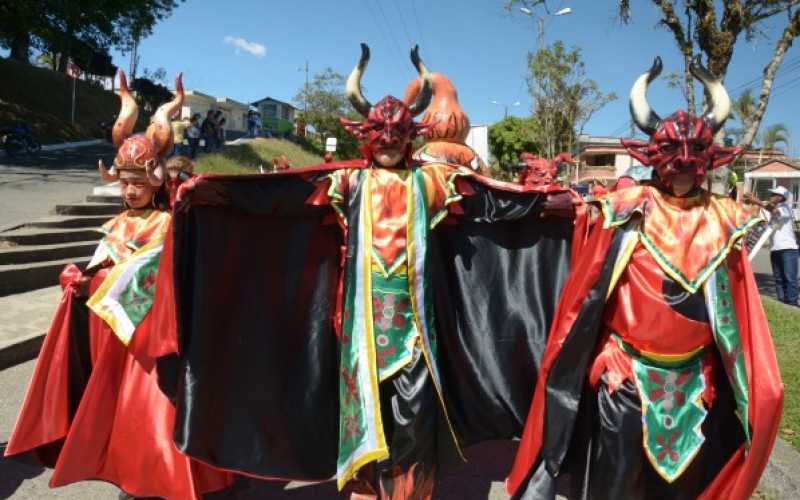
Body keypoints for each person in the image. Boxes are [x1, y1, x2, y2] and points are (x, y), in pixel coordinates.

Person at [156, 43, 584, 500]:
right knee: (362, 418)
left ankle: (409, 492)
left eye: (397, 134)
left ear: (410, 136)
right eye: (380, 135)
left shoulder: (432, 181)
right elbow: (281, 194)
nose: (389, 143)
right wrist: (217, 193)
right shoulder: (349, 182)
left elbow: (490, 199)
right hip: (361, 333)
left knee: (414, 418)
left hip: (416, 334)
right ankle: (363, 489)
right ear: (367, 136)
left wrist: (547, 204)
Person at [507, 56, 783, 500]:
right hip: (627, 375)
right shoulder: (628, 207)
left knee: (680, 489)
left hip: (695, 383)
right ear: (655, 160)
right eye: (675, 162)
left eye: (694, 164)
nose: (684, 172)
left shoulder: (723, 219)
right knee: (614, 483)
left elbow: (734, 306)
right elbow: (588, 276)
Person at [4, 70, 232, 500]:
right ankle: (127, 472)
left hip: (154, 341)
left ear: (155, 181)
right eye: (124, 182)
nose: (129, 190)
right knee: (115, 411)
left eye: (137, 182)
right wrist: (78, 281)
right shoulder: (118, 222)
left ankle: (156, 477)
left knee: (151, 414)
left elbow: (150, 277)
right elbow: (102, 268)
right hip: (114, 338)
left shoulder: (168, 223)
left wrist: (100, 281)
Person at [745, 185, 799, 305]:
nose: (771, 196)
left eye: (774, 195)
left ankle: (792, 305)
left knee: (790, 280)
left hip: (788, 249)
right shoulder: (771, 211)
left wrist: (756, 201)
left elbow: (774, 211)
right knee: (778, 279)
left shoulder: (786, 208)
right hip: (775, 249)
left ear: (780, 198)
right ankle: (782, 304)